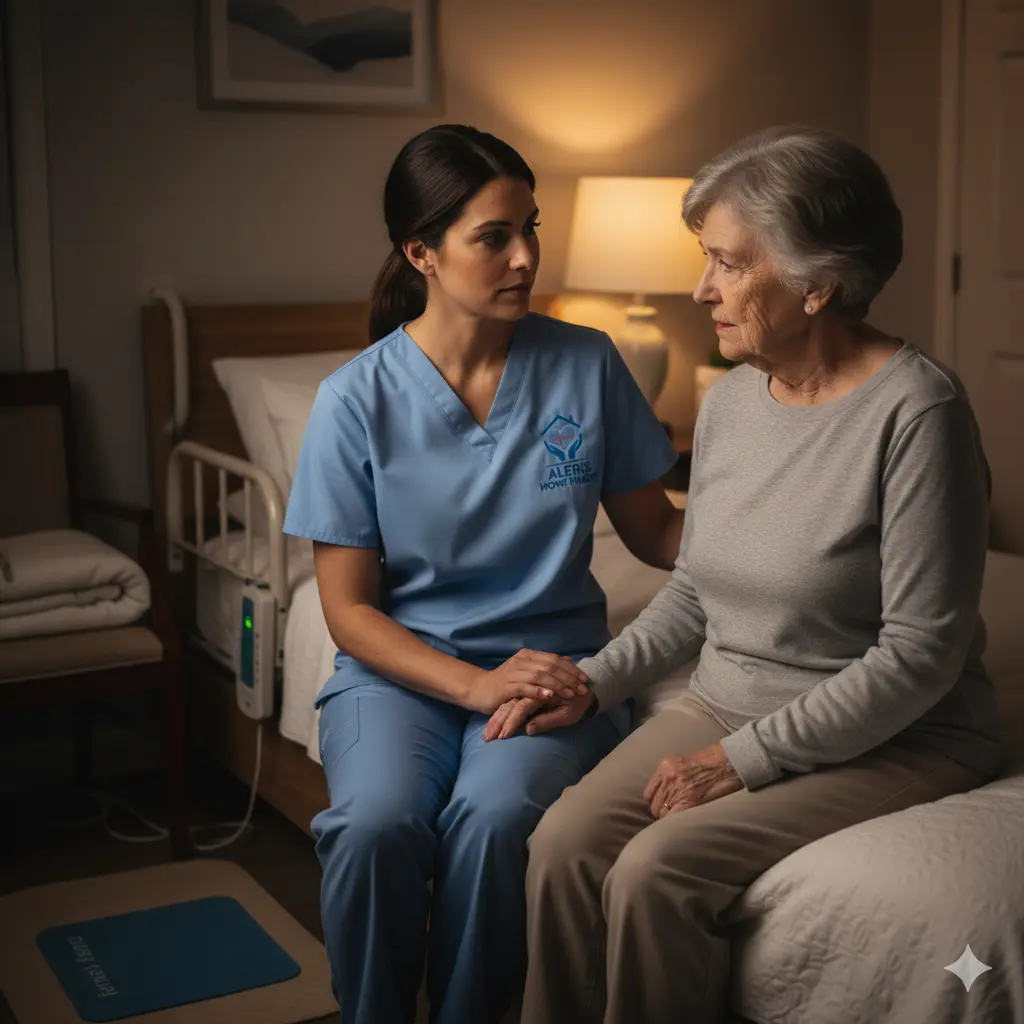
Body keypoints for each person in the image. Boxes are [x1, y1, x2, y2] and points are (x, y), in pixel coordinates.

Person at [484, 125, 1002, 1024]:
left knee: (654, 869)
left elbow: (920, 656)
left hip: (902, 733)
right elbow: (696, 591)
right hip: (726, 695)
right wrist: (593, 682)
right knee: (563, 842)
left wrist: (740, 762)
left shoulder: (920, 412)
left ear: (816, 284)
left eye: (726, 262)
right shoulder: (728, 399)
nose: (701, 288)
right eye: (705, 259)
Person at [281, 124, 684, 1024]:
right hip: (404, 674)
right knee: (376, 826)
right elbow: (347, 612)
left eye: (530, 228)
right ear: (420, 251)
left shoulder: (586, 363)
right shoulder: (356, 399)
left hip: (552, 673)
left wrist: (792, 537)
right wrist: (472, 683)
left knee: (497, 821)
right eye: (493, 236)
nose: (525, 256)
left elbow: (657, 533)